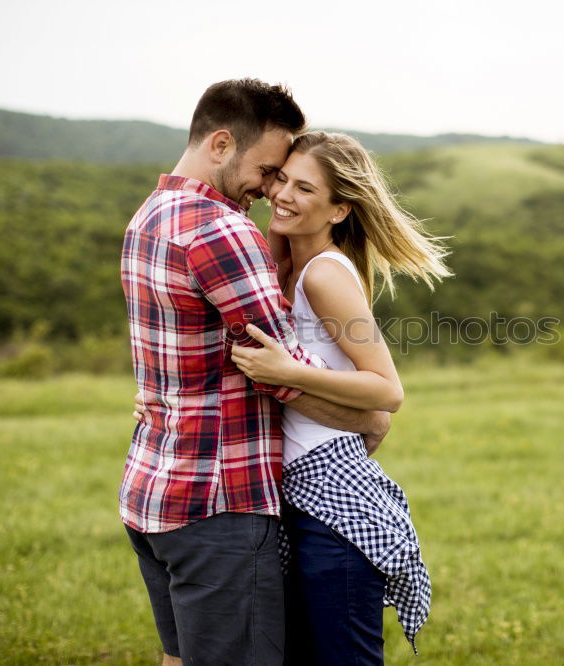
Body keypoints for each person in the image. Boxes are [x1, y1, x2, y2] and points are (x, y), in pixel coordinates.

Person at [120, 80, 392, 666]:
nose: (269, 191)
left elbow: (170, 352)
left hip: (153, 489)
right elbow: (281, 371)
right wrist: (368, 418)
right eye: (270, 171)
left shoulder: (148, 216)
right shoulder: (220, 228)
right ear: (221, 144)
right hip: (219, 497)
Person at [224, 130, 450, 662]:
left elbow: (387, 391)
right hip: (299, 496)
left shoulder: (325, 274)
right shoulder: (293, 264)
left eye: (305, 189)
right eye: (281, 178)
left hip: (331, 500)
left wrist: (287, 372)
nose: (282, 194)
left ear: (339, 210)